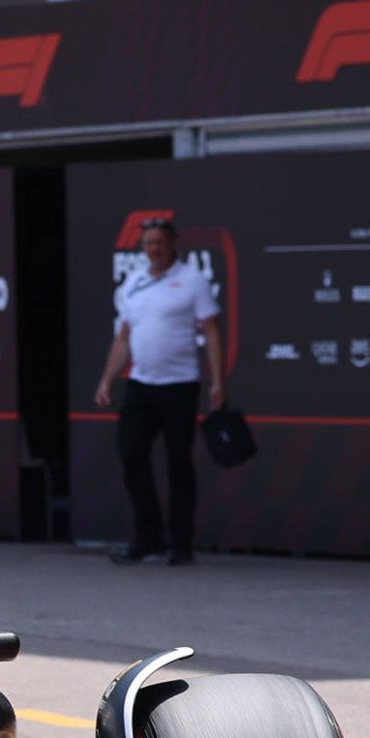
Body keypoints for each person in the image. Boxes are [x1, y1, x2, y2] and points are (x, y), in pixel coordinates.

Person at [95, 211, 219, 566]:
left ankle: (181, 543)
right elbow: (123, 338)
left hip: (180, 384)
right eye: (149, 244)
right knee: (131, 453)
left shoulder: (192, 280)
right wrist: (107, 379)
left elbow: (211, 331)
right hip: (141, 384)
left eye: (160, 243)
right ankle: (147, 538)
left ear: (172, 244)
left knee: (179, 462)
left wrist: (218, 382)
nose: (155, 249)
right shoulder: (132, 284)